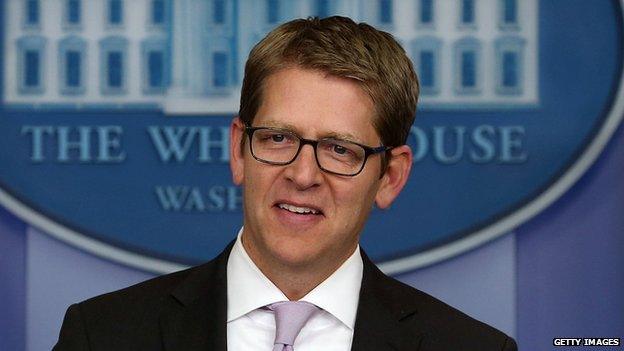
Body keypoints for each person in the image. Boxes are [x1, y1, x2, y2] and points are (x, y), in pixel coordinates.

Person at [54, 16, 517, 351]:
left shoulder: (470, 347)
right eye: (278, 138)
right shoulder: (102, 335)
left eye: (340, 150)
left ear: (390, 177)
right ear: (239, 150)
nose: (302, 174)